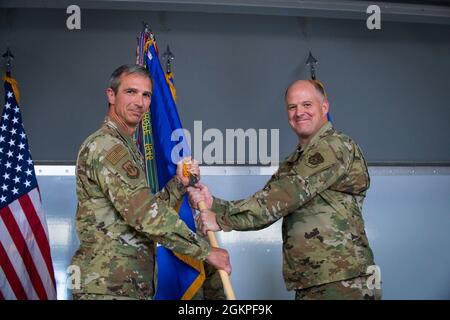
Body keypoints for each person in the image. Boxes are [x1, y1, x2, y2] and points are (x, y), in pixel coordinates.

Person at [188, 79, 381, 300]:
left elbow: (283, 197)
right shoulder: (296, 160)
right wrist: (214, 203)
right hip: (314, 280)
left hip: (344, 280)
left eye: (307, 104)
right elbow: (268, 199)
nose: (299, 112)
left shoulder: (334, 146)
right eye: (292, 107)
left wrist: (222, 220)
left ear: (324, 107)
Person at [71, 64, 231, 300]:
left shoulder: (126, 147)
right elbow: (145, 215)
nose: (139, 102)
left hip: (126, 287)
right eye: (131, 92)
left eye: (146, 95)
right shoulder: (108, 147)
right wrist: (205, 251)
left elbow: (142, 209)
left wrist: (179, 182)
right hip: (107, 288)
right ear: (111, 95)